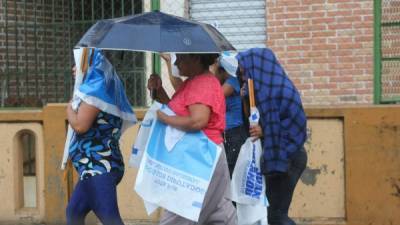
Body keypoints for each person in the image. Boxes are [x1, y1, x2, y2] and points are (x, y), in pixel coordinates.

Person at [147, 53, 237, 225]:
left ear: (195, 58)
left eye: (180, 58)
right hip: (200, 157)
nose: (177, 62)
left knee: (180, 213)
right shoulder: (193, 82)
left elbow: (197, 120)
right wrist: (158, 92)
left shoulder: (203, 83)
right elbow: (179, 112)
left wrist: (163, 118)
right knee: (219, 214)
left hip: (201, 159)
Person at [236, 48, 308, 225]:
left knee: (276, 214)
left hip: (288, 156)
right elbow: (252, 124)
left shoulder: (281, 90)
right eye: (242, 72)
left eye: (246, 70)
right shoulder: (260, 91)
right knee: (269, 214)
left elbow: (295, 128)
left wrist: (265, 131)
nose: (243, 76)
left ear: (258, 67)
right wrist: (245, 99)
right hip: (272, 155)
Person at [66, 49, 136, 225]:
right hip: (98, 166)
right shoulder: (102, 87)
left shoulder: (96, 91)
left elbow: (80, 125)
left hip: (97, 167)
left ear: (90, 65)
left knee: (110, 219)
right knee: (73, 213)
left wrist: (68, 110)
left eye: (79, 63)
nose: (74, 68)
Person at [212, 52, 248, 176]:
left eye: (216, 72)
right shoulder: (226, 82)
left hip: (235, 135)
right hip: (228, 135)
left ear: (222, 71)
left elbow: (214, 97)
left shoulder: (232, 82)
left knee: (230, 174)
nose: (213, 75)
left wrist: (214, 71)